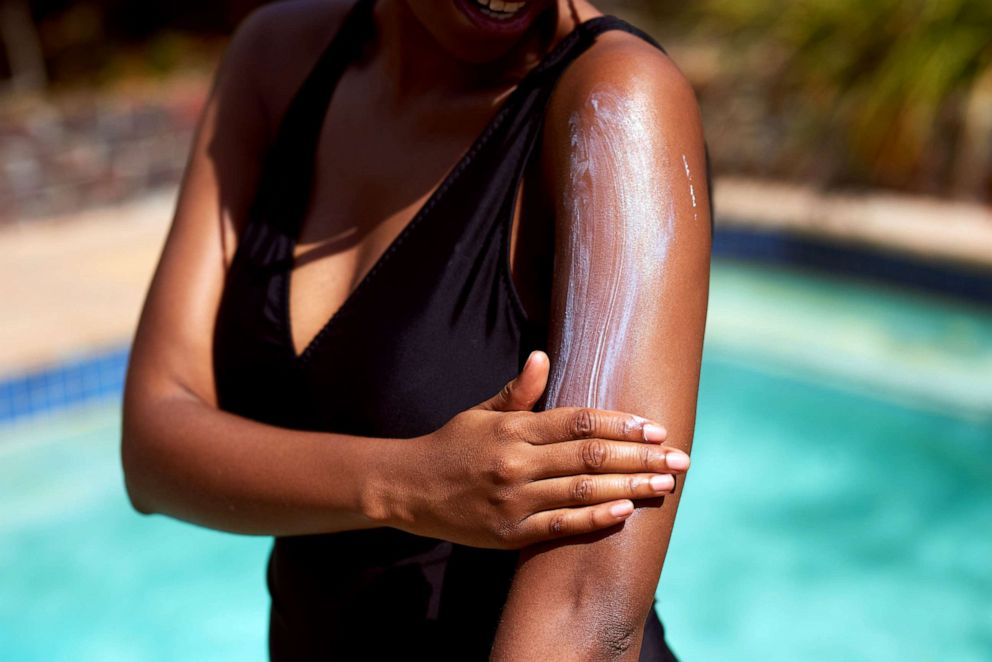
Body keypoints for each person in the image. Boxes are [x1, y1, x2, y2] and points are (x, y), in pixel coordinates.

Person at [121, 0, 711, 659]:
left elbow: (589, 616)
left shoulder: (617, 103)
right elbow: (151, 448)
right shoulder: (278, 61)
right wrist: (407, 483)